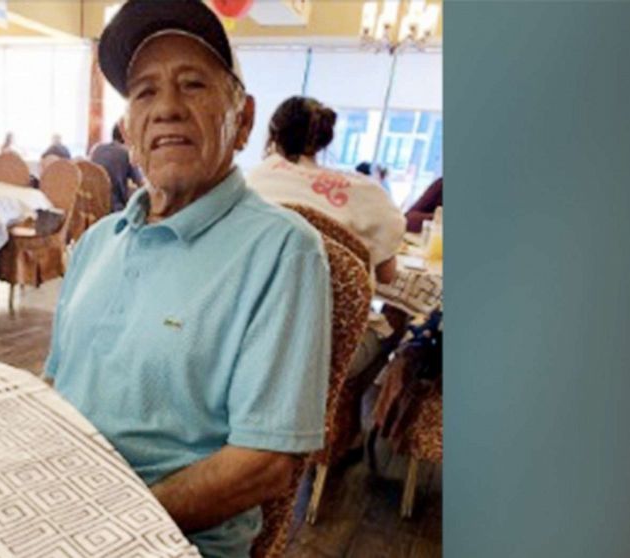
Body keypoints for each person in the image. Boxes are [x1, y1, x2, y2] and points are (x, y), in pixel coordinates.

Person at [44, 2, 332, 556]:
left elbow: (264, 465)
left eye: (193, 84)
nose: (167, 109)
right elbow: (57, 385)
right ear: (129, 129)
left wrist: (107, 525)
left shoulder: (282, 251)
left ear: (243, 120)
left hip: (165, 539)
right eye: (145, 91)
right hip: (55, 512)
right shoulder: (99, 241)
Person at [247, 96, 406, 284]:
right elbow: (386, 276)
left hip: (257, 303)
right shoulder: (368, 194)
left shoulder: (253, 182)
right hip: (333, 312)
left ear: (273, 135)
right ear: (325, 140)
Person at [89, 122, 144, 212]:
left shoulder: (97, 149)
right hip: (114, 208)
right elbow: (142, 184)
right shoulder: (126, 154)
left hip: (93, 206)